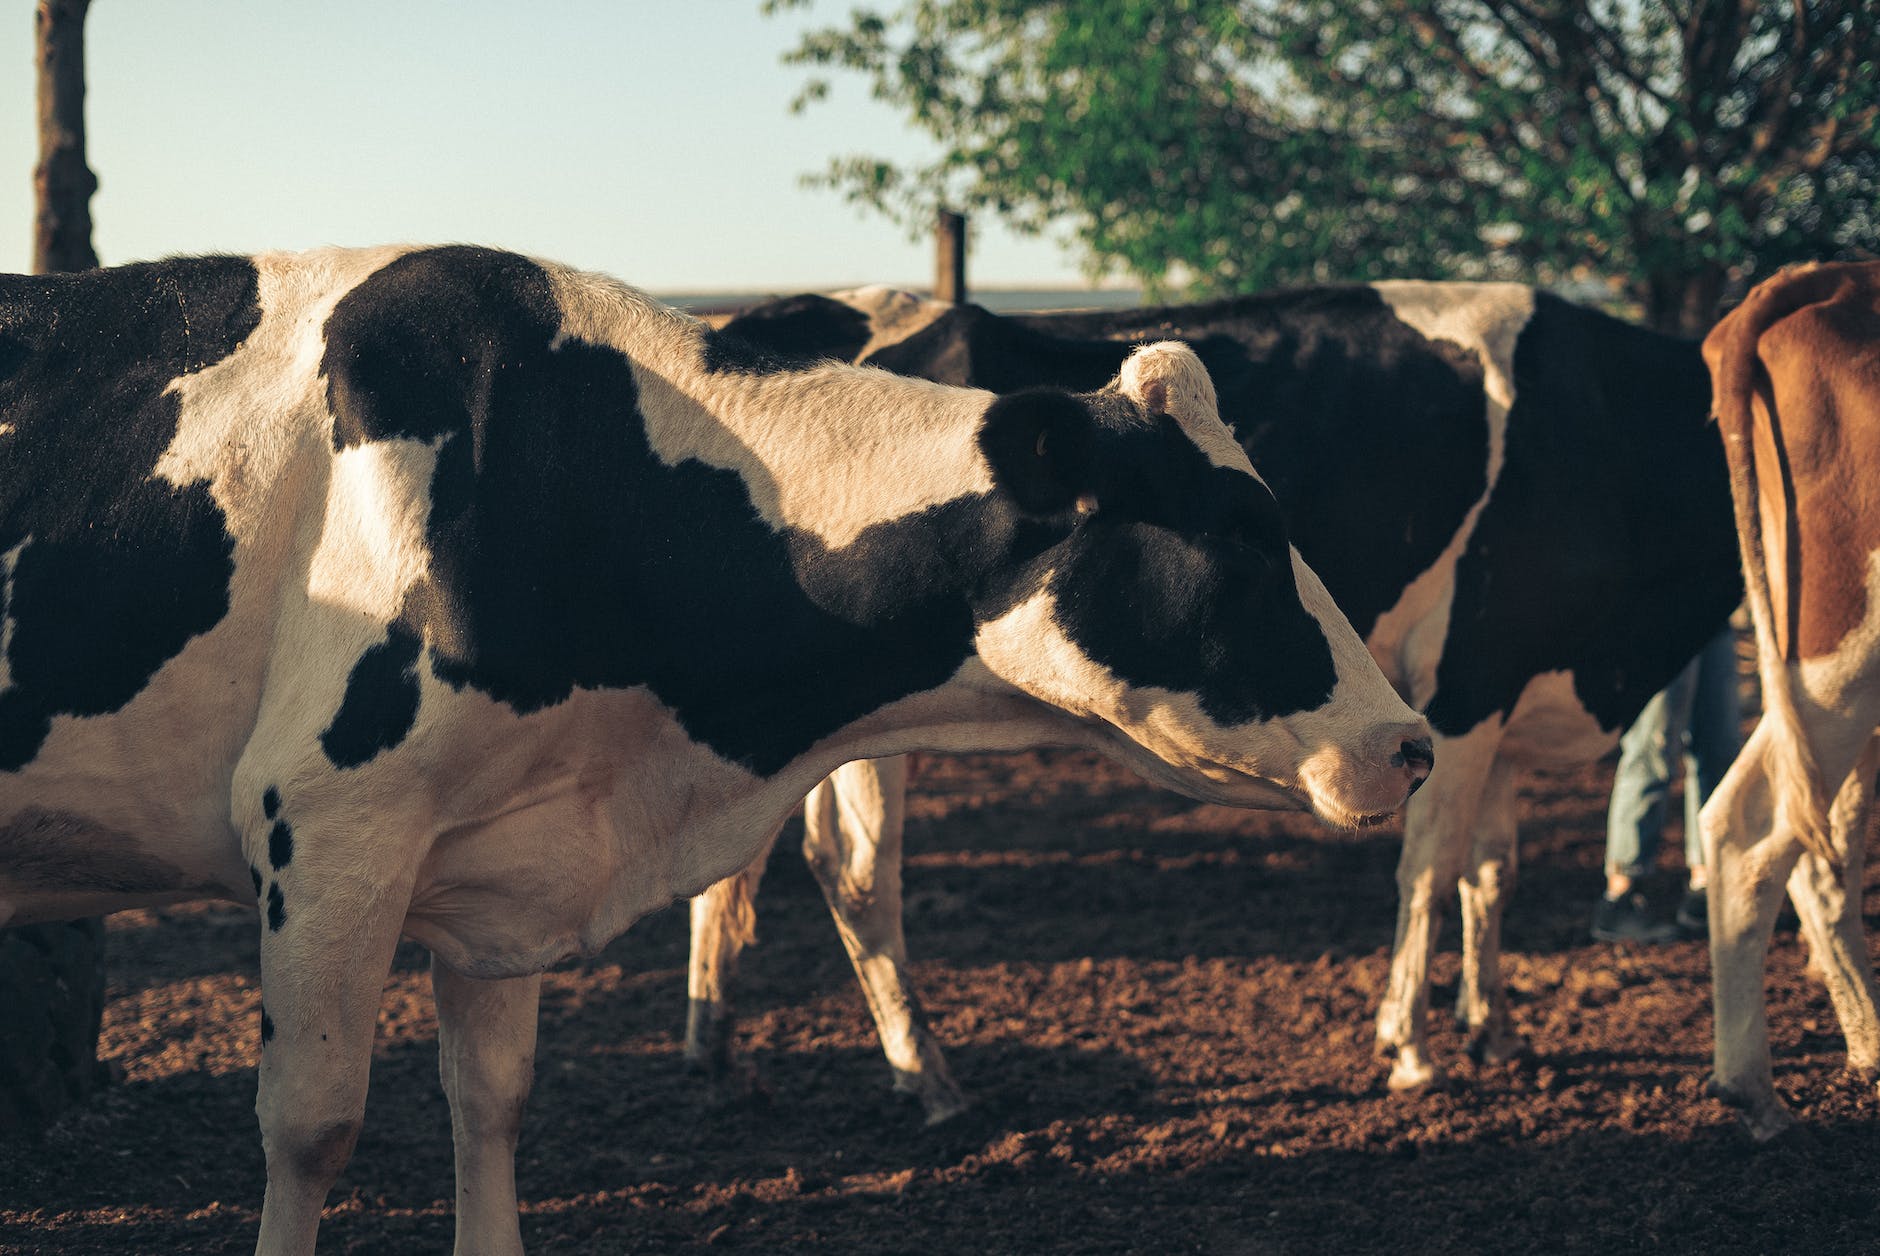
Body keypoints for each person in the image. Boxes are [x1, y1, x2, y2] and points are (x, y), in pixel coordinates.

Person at [1591, 626, 1744, 942]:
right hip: (1660, 611)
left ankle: (1707, 886)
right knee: (1653, 748)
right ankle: (1621, 893)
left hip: (1714, 611)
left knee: (1720, 748)